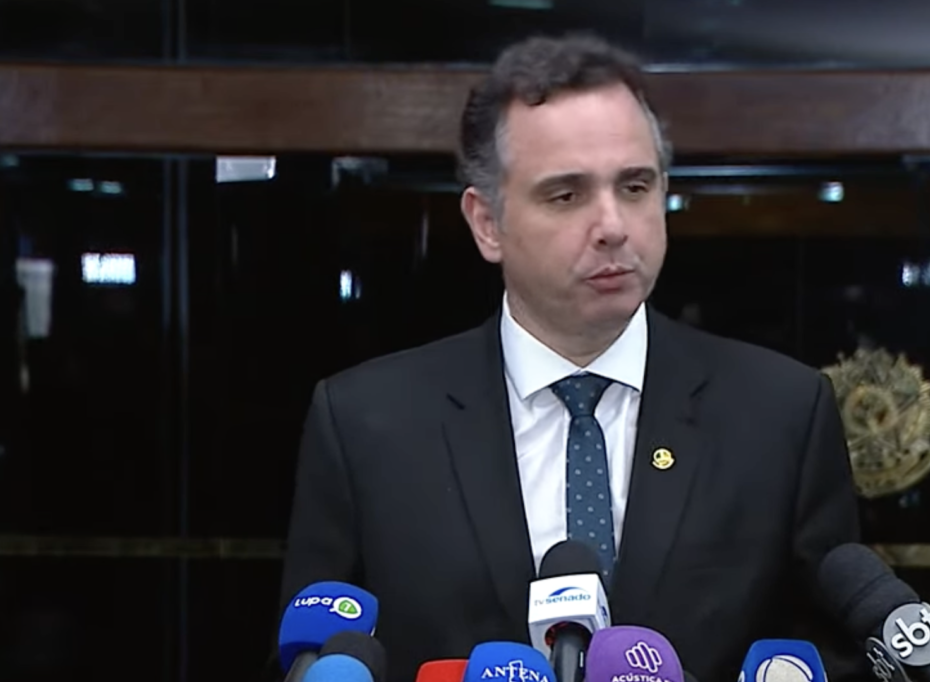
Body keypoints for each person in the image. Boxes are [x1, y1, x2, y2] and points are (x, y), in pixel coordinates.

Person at [279, 33, 863, 682]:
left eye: (635, 186)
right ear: (487, 223)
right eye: (566, 195)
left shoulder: (781, 412)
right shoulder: (365, 424)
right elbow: (316, 655)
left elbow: (833, 654)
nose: (613, 225)